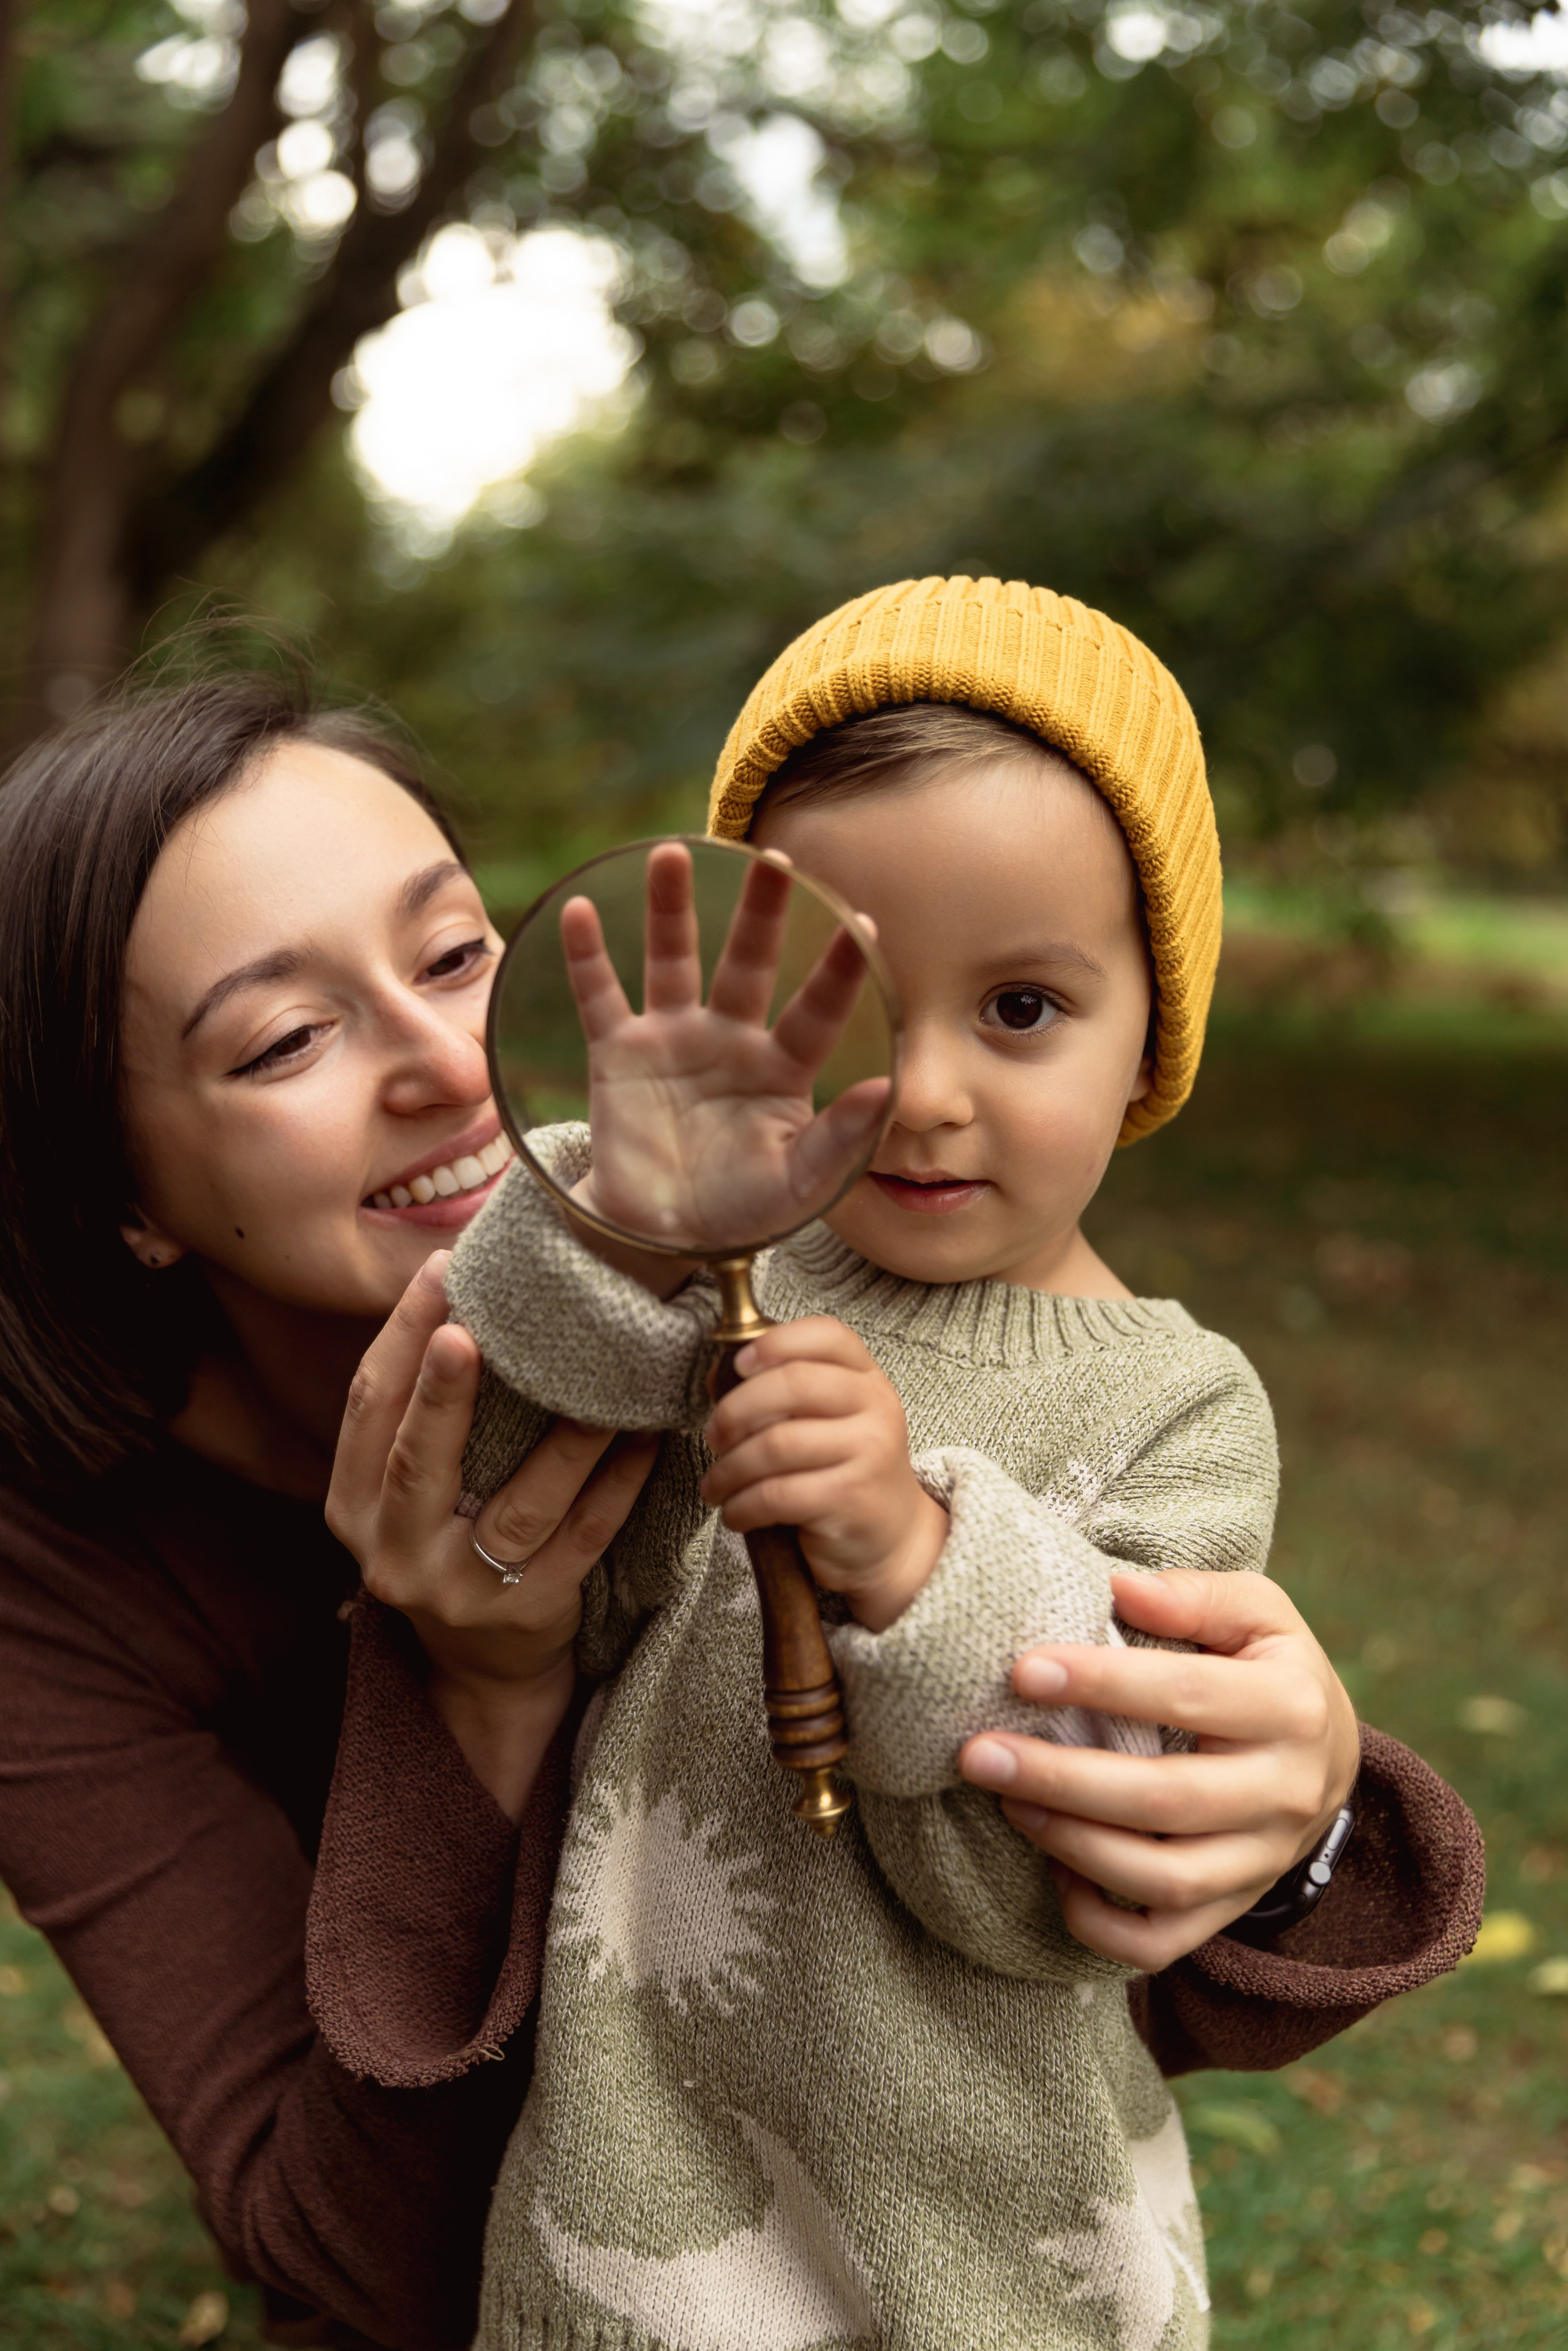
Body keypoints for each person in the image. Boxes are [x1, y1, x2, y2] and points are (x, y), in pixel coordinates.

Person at [0, 648, 1480, 2351]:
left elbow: (1025, 1948)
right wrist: (478, 1695)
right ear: (121, 1192)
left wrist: (1301, 1827)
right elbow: (330, 2256)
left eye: (458, 953)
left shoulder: (784, 1303)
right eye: (285, 1038)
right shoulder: (53, 1586)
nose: (449, 1060)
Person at [450, 576, 1482, 2351]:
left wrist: (912, 1552)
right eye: (846, 1009)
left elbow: (1051, 1893)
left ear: (1156, 1027)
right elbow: (517, 1457)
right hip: (643, 2202)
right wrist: (642, 1204)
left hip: (1002, 2247)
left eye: (1019, 1010)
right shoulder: (724, 1277)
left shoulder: (1179, 1405)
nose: (922, 1093)